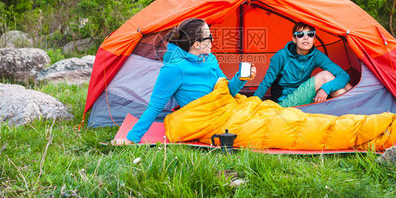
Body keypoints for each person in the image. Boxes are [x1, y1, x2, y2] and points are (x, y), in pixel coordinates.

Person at [113, 18, 257, 145]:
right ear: (197, 45)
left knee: (268, 114)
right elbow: (155, 106)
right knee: (263, 127)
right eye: (209, 36)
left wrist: (241, 78)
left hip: (227, 111)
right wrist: (132, 137)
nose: (212, 40)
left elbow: (226, 92)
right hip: (207, 122)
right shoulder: (174, 69)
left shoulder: (210, 60)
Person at [254, 22, 351, 107]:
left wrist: (325, 89)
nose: (305, 37)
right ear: (294, 39)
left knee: (345, 85)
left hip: (303, 95)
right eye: (300, 34)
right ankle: (352, 110)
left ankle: (352, 109)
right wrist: (252, 104)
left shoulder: (316, 55)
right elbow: (266, 83)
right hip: (285, 101)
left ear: (314, 40)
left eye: (310, 34)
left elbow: (344, 75)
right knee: (326, 76)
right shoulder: (281, 55)